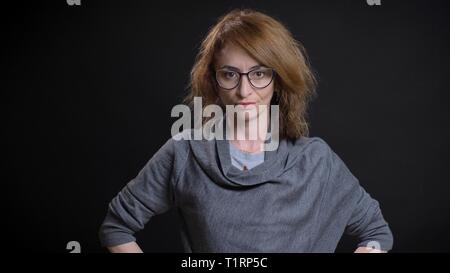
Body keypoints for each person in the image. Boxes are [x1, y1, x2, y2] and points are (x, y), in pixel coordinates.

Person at [98, 9, 393, 253]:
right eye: (229, 74)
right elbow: (116, 227)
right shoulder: (184, 152)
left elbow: (377, 233)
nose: (244, 90)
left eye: (259, 73)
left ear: (278, 79)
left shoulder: (317, 160)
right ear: (213, 80)